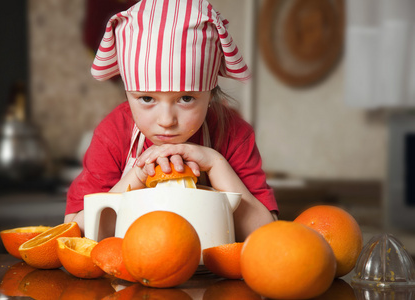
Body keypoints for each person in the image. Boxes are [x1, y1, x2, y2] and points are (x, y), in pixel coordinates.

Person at [65, 0, 278, 241]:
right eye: (146, 98)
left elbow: (267, 236)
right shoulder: (113, 134)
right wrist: (136, 178)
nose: (166, 120)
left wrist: (217, 164)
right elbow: (75, 232)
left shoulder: (233, 134)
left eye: (186, 98)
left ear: (210, 91)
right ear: (127, 94)